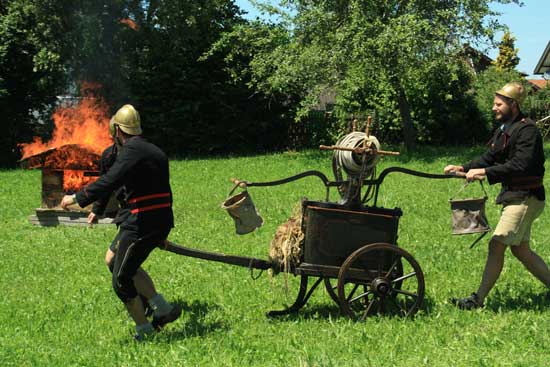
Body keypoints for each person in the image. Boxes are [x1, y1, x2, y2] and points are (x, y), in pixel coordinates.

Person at [61, 104, 182, 340]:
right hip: (158, 219)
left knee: (121, 278)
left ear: (117, 129)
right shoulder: (154, 150)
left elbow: (109, 181)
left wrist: (77, 198)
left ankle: (144, 330)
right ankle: (163, 308)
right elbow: (165, 192)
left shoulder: (130, 152)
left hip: (140, 222)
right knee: (115, 259)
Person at [444, 81, 550, 309]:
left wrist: (485, 172)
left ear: (513, 104)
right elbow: (488, 159)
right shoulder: (505, 130)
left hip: (526, 197)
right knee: (521, 250)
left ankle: (477, 300)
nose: (494, 108)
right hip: (515, 197)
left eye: (498, 104)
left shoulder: (527, 130)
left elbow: (521, 164)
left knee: (497, 244)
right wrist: (461, 168)